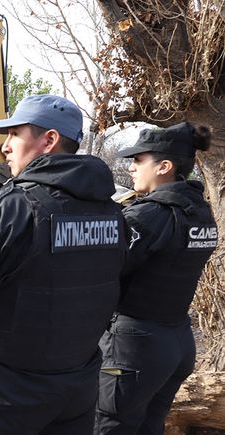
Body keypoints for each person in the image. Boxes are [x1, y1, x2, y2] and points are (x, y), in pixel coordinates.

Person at [0, 94, 127, 435]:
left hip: (1, 400)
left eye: (15, 134)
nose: (5, 147)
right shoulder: (113, 214)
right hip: (75, 397)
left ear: (49, 140)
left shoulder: (7, 209)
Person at [94, 122, 217, 435]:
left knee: (109, 426)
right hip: (177, 343)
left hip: (135, 347)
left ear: (164, 167)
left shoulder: (149, 215)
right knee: (149, 426)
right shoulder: (201, 212)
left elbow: (100, 270)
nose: (131, 167)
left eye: (139, 160)